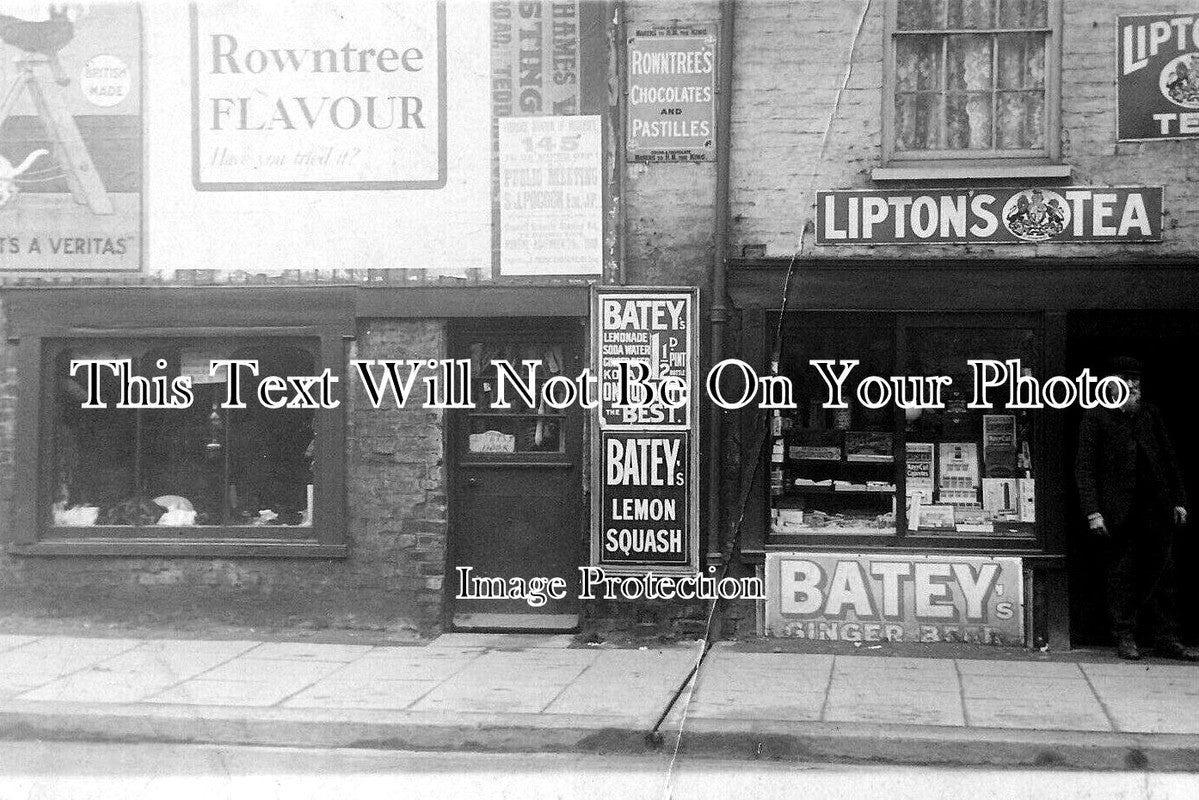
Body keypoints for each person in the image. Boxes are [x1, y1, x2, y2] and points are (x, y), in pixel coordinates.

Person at [1075, 357, 1195, 661]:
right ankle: (1125, 636)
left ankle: (1167, 637)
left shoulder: (1150, 416)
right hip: (1118, 512)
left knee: (1164, 575)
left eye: (1137, 387)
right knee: (1122, 575)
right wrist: (1093, 512)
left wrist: (1179, 499)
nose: (1134, 393)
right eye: (1128, 387)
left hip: (1155, 508)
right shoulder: (1097, 417)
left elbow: (1168, 458)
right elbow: (1084, 468)